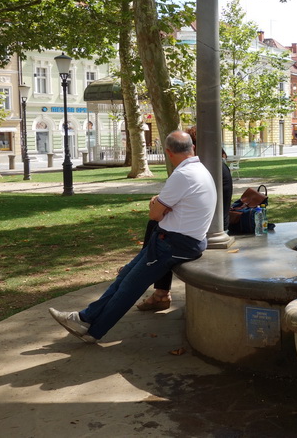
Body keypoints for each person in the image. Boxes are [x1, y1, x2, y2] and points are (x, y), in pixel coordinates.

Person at [48, 130, 216, 342]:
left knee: (129, 286)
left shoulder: (183, 175)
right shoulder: (200, 169)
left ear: (168, 152)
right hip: (181, 241)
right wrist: (162, 205)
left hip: (174, 244)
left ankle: (93, 330)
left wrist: (158, 204)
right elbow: (169, 206)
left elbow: (155, 214)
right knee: (125, 275)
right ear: (192, 147)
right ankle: (83, 318)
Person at [135, 127, 232, 312]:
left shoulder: (201, 169)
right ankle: (148, 272)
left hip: (208, 230)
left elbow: (165, 210)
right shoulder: (210, 166)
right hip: (205, 225)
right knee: (160, 227)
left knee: (160, 228)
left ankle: (156, 285)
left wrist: (162, 204)